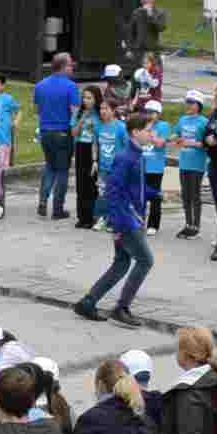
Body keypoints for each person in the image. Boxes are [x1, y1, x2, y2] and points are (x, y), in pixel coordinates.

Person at [75, 119, 152, 326]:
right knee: (145, 260)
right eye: (147, 130)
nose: (150, 134)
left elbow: (135, 187)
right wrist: (117, 223)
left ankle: (88, 302)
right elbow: (113, 191)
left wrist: (154, 195)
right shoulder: (126, 157)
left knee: (121, 262)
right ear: (135, 132)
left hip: (130, 216)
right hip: (126, 219)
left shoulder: (136, 155)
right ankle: (121, 308)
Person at [32, 55, 80, 222]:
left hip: (45, 132)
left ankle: (43, 201)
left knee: (49, 167)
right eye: (70, 65)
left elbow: (37, 110)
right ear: (63, 67)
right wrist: (74, 127)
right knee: (62, 171)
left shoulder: (40, 86)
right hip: (63, 132)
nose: (72, 68)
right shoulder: (71, 86)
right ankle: (58, 208)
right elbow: (74, 111)